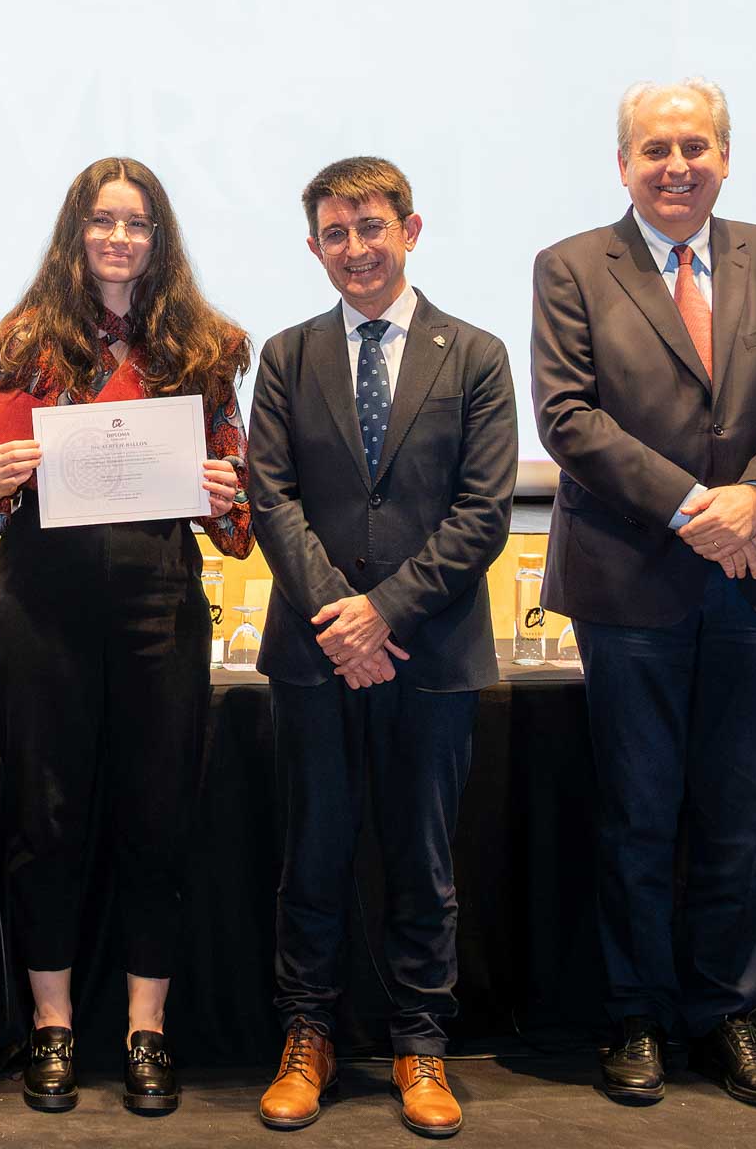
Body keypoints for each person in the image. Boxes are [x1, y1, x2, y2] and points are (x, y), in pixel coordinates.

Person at [530, 79, 756, 1109]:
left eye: (695, 146)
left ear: (724, 157)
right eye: (656, 149)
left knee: (737, 815)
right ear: (623, 163)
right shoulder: (572, 265)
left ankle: (724, 1014)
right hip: (633, 580)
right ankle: (635, 1015)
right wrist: (695, 509)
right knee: (637, 811)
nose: (677, 166)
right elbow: (568, 415)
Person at [0, 156, 252, 1116]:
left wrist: (225, 493)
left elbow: (237, 525)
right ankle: (53, 1025)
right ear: (76, 233)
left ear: (160, 239)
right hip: (43, 612)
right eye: (103, 221)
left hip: (162, 610)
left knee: (160, 815)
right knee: (45, 817)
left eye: (137, 223)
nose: (119, 238)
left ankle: (147, 1030)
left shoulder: (205, 347)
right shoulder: (22, 343)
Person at [249, 156, 517, 1139]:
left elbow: (485, 510)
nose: (355, 248)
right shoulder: (287, 355)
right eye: (335, 232)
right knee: (313, 858)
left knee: (424, 862)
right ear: (314, 246)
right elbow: (271, 497)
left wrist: (386, 613)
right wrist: (342, 616)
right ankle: (307, 1037)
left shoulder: (476, 354)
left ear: (411, 229)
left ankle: (421, 1043)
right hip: (314, 654)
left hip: (432, 653)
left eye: (372, 227)